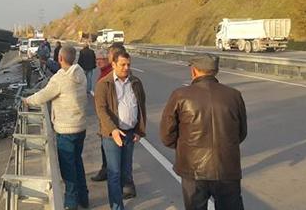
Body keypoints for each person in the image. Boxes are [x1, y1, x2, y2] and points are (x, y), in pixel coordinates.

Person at [159, 54, 247, 210]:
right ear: (216, 71)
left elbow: (167, 135)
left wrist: (185, 147)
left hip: (193, 169)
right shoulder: (234, 95)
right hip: (226, 166)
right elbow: (241, 133)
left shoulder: (180, 95)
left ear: (194, 71)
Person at [23, 46, 89, 210]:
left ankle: (71, 203)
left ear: (60, 59)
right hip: (80, 127)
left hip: (66, 130)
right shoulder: (80, 73)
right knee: (77, 162)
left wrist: (27, 101)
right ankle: (84, 198)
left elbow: (43, 95)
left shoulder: (60, 79)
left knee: (68, 170)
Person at [94, 50, 146, 210]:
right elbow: (101, 110)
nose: (126, 68)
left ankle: (122, 197)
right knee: (114, 173)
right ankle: (117, 207)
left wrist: (139, 130)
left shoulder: (135, 82)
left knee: (126, 171)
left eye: (128, 64)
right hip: (111, 136)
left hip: (130, 133)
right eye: (122, 64)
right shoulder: (104, 84)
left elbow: (141, 107)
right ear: (114, 64)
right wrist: (113, 130)